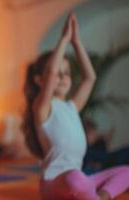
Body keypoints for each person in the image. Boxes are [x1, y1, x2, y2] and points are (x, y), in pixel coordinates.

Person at [22, 13, 129, 200]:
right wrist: (64, 39)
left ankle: (100, 197)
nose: (62, 77)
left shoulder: (72, 107)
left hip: (79, 181)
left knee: (126, 172)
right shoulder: (42, 107)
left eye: (67, 73)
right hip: (55, 184)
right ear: (40, 80)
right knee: (75, 178)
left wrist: (76, 42)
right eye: (58, 73)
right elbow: (52, 73)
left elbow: (90, 78)